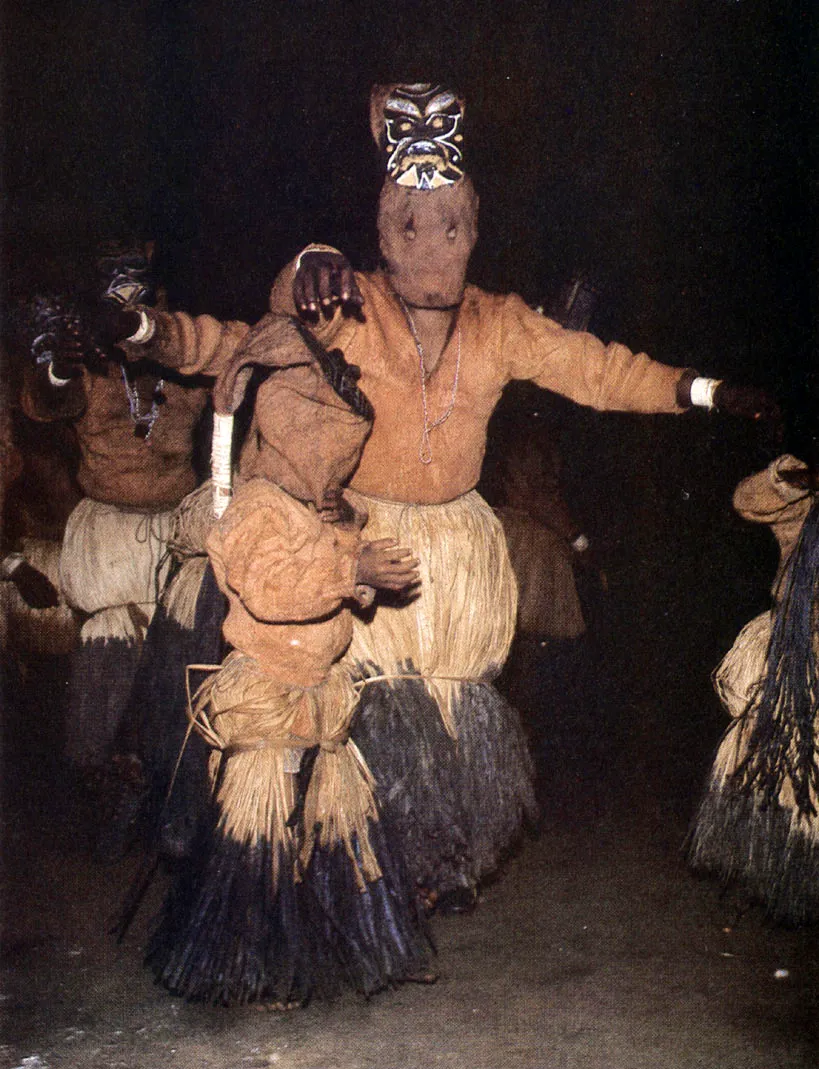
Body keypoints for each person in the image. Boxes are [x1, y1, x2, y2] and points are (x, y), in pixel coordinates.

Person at [96, 80, 777, 912]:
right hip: (362, 532)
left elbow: (599, 369)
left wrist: (702, 390)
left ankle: (431, 864)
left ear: (472, 231)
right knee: (368, 708)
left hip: (453, 554)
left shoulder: (500, 323)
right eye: (411, 228)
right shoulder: (347, 304)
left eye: (450, 227)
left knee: (448, 708)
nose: (431, 247)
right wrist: (152, 332)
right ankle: (358, 872)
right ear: (385, 232)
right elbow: (241, 343)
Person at [147, 316, 431, 1006]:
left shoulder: (330, 511)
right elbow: (273, 592)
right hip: (269, 695)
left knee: (330, 829)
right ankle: (253, 962)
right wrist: (348, 568)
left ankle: (360, 941)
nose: (339, 468)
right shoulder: (255, 509)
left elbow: (338, 579)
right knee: (265, 838)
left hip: (320, 694)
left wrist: (364, 574)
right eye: (332, 453)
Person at [19, 243, 217, 781]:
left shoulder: (184, 367)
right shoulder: (88, 369)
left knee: (174, 658)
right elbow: (40, 402)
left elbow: (226, 362)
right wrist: (58, 368)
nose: (123, 317)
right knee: (109, 639)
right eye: (114, 305)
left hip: (177, 533)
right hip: (106, 539)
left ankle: (160, 776)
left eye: (137, 304)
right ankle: (98, 772)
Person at [688, 452, 819, 924]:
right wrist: (788, 481)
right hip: (797, 642)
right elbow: (747, 500)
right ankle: (774, 871)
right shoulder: (804, 493)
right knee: (777, 766)